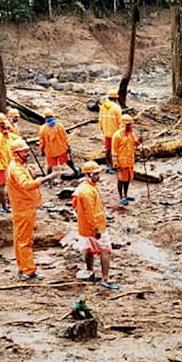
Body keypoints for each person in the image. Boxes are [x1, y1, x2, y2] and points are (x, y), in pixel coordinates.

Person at [7, 138, 58, 281]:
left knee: (19, 239)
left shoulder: (19, 166)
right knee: (24, 241)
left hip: (22, 207)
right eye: (24, 151)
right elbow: (27, 184)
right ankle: (28, 271)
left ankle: (22, 267)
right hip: (24, 207)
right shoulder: (16, 169)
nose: (27, 153)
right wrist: (46, 178)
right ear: (17, 153)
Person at [72, 160, 117, 289]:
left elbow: (74, 206)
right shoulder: (87, 191)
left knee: (88, 249)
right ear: (89, 175)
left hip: (84, 227)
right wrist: (96, 228)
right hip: (95, 226)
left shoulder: (83, 188)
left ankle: (90, 272)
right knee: (105, 250)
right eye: (96, 174)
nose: (98, 176)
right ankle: (105, 278)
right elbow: (90, 212)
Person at [111, 114, 142, 205]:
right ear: (123, 124)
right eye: (128, 124)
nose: (130, 126)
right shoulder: (117, 136)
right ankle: (121, 197)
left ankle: (126, 194)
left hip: (129, 161)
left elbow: (133, 144)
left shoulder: (131, 134)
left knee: (128, 179)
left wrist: (139, 141)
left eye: (131, 124)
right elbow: (114, 150)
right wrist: (115, 162)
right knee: (121, 180)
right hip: (121, 162)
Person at [38, 108, 77, 175]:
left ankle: (49, 180)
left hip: (50, 151)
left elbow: (42, 142)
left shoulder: (43, 129)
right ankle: (75, 171)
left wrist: (42, 150)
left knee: (50, 165)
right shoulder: (59, 126)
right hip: (61, 149)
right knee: (67, 160)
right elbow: (65, 138)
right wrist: (68, 146)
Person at [98, 90, 122, 172]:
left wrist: (103, 130)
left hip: (106, 132)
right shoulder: (117, 108)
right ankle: (114, 166)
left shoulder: (103, 107)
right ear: (116, 98)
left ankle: (108, 165)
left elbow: (100, 120)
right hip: (115, 133)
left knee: (108, 149)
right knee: (115, 150)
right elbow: (120, 122)